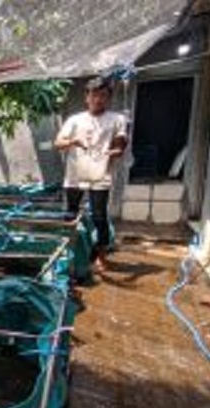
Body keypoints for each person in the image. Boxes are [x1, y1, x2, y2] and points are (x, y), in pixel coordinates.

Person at [54, 76, 128, 273]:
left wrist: (115, 151)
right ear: (86, 97)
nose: (98, 99)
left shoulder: (117, 119)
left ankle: (100, 257)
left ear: (108, 98)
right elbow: (58, 143)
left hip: (100, 174)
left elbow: (120, 144)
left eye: (103, 95)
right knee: (70, 214)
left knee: (99, 217)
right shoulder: (74, 120)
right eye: (94, 95)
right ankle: (68, 252)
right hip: (75, 174)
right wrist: (73, 142)